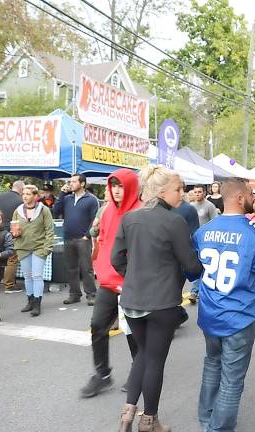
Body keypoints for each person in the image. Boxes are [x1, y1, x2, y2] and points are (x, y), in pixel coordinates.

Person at [112, 165, 203, 432]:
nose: (182, 194)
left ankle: (128, 413)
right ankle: (149, 421)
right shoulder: (174, 221)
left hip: (132, 300)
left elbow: (116, 259)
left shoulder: (130, 218)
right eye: (178, 189)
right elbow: (191, 265)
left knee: (142, 353)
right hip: (162, 302)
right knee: (154, 360)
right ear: (162, 191)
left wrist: (133, 277)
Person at [194, 177, 255, 432]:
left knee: (212, 363)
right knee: (231, 380)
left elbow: (193, 271)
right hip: (239, 317)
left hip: (209, 313)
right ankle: (218, 428)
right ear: (240, 198)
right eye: (251, 194)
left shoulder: (202, 232)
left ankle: (206, 416)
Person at [80, 169, 141, 399]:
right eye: (113, 185)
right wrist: (100, 268)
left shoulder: (140, 212)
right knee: (97, 325)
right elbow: (103, 239)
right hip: (107, 281)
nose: (116, 190)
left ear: (131, 187)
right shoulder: (106, 212)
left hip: (132, 282)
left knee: (132, 332)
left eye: (121, 186)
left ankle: (139, 371)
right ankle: (102, 374)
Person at [53, 174, 100, 306]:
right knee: (71, 268)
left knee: (86, 268)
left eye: (74, 181)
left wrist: (87, 235)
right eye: (70, 182)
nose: (71, 184)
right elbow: (55, 211)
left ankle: (91, 294)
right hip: (68, 238)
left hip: (83, 239)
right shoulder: (67, 198)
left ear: (82, 184)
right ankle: (74, 294)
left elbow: (95, 220)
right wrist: (61, 194)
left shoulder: (91, 199)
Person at [12, 185, 55, 318]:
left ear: (35, 196)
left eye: (28, 194)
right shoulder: (18, 210)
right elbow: (13, 228)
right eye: (23, 194)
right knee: (27, 276)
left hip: (39, 248)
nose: (25, 196)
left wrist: (46, 248)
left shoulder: (44, 210)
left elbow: (50, 230)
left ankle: (37, 303)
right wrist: (15, 235)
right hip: (23, 247)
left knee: (37, 276)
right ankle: (30, 301)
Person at [0, 180, 25, 294]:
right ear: (21, 189)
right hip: (11, 231)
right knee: (11, 258)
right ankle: (9, 285)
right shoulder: (20, 201)